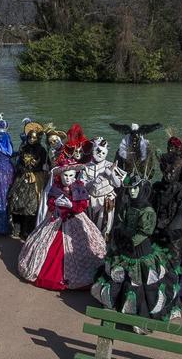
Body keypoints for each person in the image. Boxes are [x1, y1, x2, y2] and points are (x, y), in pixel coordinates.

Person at [91, 176, 182, 328]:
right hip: (126, 249)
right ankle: (120, 307)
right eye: (130, 189)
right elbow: (122, 222)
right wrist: (120, 235)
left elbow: (144, 232)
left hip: (140, 251)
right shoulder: (128, 206)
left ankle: (139, 315)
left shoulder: (147, 211)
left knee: (140, 282)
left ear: (142, 189)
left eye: (135, 188)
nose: (132, 191)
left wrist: (129, 241)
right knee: (120, 277)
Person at [18, 157, 106, 290]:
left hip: (74, 220)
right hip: (56, 221)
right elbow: (50, 202)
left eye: (71, 175)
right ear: (60, 175)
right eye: (65, 175)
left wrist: (72, 205)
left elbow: (83, 204)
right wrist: (55, 204)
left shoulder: (79, 187)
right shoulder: (56, 187)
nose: (68, 178)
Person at [152, 137, 182, 267]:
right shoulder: (158, 188)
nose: (167, 173)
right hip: (162, 223)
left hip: (175, 226)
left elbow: (180, 215)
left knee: (174, 257)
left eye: (172, 147)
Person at [80, 137, 126, 239]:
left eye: (103, 153)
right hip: (90, 201)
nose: (100, 154)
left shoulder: (110, 165)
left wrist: (111, 175)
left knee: (105, 228)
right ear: (93, 151)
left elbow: (118, 184)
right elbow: (82, 185)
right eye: (98, 151)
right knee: (89, 228)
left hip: (106, 201)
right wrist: (93, 182)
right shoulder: (86, 167)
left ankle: (104, 249)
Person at [9, 121, 47, 239]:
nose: (31, 139)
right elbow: (19, 162)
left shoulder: (42, 150)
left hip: (35, 179)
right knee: (16, 202)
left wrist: (33, 171)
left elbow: (43, 164)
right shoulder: (23, 148)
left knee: (31, 206)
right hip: (22, 177)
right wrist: (24, 170)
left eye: (34, 138)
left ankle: (28, 231)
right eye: (29, 137)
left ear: (38, 138)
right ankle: (17, 229)